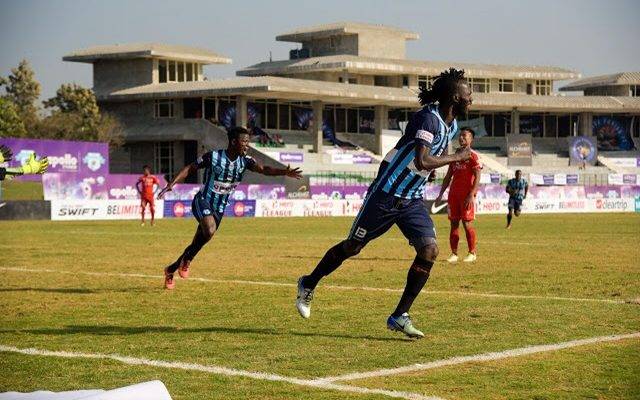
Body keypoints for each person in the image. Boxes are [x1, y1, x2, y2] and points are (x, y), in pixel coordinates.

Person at [295, 68, 473, 338]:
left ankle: (399, 316)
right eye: (467, 93)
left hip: (412, 199)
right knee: (352, 247)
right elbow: (422, 159)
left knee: (430, 250)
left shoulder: (452, 125)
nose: (471, 97)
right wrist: (454, 158)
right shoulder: (428, 118)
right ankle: (308, 283)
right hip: (386, 194)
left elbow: (428, 161)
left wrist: (438, 165)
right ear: (453, 97)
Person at [157, 126, 302, 289]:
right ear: (234, 142)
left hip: (219, 208)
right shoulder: (213, 157)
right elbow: (190, 168)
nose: (247, 145)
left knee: (200, 241)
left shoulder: (245, 161)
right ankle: (188, 260)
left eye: (248, 142)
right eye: (244, 142)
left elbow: (264, 169)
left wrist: (284, 172)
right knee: (209, 230)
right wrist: (172, 183)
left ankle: (171, 269)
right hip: (203, 200)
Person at [434, 128, 481, 263]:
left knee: (467, 223)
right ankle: (454, 254)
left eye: (465, 136)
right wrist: (441, 194)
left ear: (471, 139)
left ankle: (472, 253)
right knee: (454, 224)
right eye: (460, 136)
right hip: (454, 195)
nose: (461, 138)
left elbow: (478, 176)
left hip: (466, 196)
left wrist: (471, 194)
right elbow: (448, 176)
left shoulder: (473, 156)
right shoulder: (455, 156)